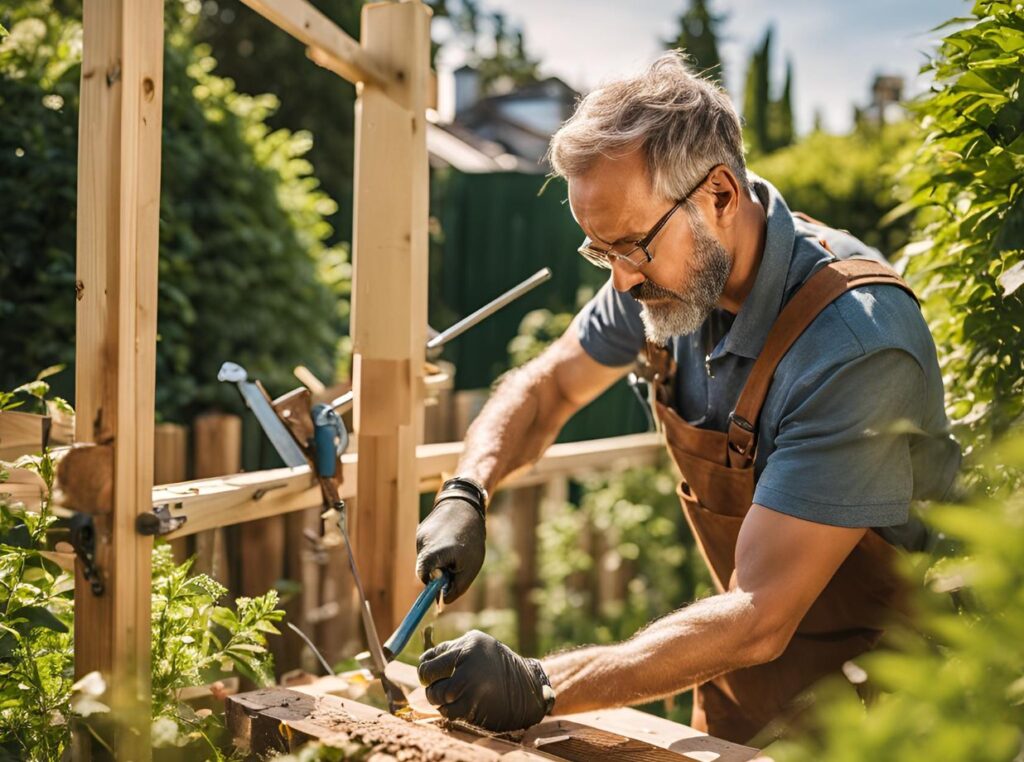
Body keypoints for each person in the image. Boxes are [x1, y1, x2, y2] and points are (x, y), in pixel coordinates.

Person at [414, 51, 960, 746]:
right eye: (598, 251)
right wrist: (468, 489)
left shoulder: (854, 344)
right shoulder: (664, 277)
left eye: (631, 247)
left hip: (893, 715)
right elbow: (547, 387)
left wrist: (542, 686)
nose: (618, 281)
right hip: (746, 691)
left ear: (722, 197)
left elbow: (760, 614)